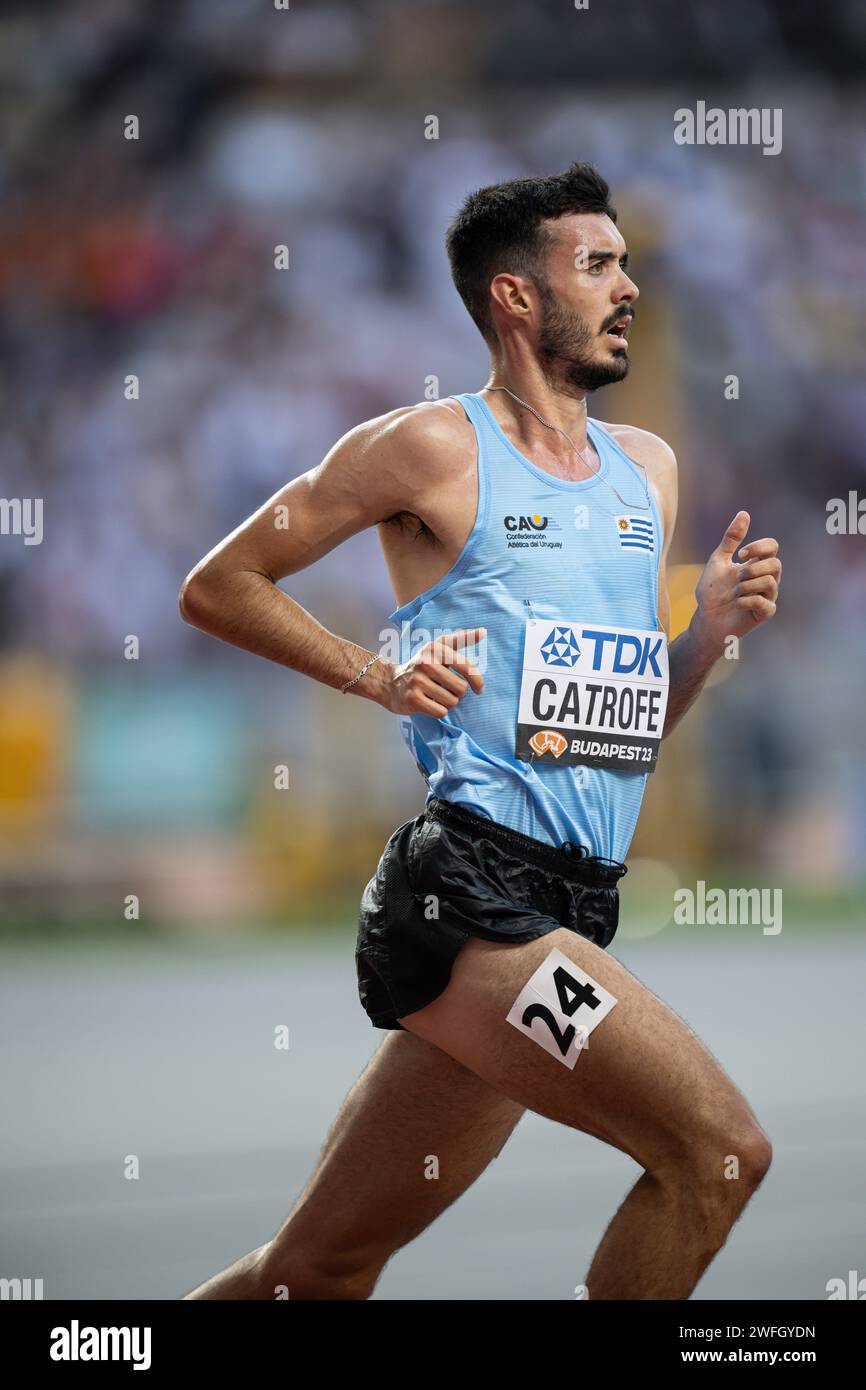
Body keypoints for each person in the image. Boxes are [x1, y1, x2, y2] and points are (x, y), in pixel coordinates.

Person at [179, 162, 781, 1300]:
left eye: (626, 262)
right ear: (514, 297)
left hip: (571, 905)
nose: (628, 286)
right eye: (596, 263)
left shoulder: (644, 470)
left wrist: (701, 639)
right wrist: (372, 673)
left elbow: (617, 732)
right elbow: (220, 583)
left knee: (316, 1270)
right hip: (474, 900)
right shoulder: (426, 448)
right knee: (716, 1155)